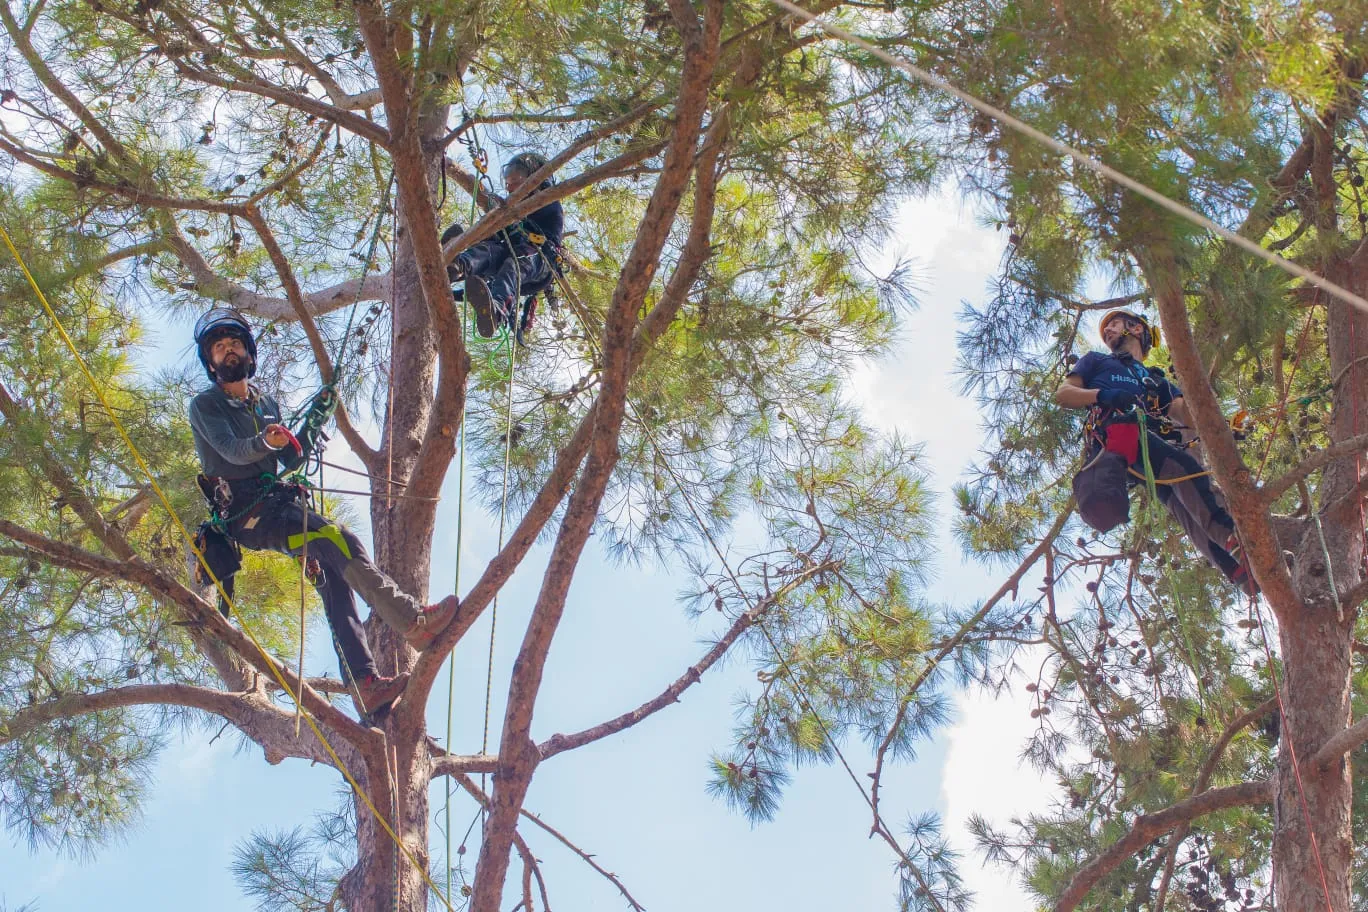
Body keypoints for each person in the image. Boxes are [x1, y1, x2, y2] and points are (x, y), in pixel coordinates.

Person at [187, 308, 460, 716]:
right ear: (210, 362)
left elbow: (288, 462)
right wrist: (266, 440)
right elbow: (233, 451)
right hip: (248, 517)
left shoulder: (265, 404)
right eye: (220, 347)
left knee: (335, 577)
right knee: (338, 539)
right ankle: (413, 623)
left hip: (279, 504)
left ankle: (364, 685)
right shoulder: (206, 405)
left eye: (235, 344)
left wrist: (314, 419)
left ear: (248, 354)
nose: (229, 351)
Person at [1055, 308, 1255, 595]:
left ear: (1136, 329)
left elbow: (1185, 414)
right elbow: (1064, 394)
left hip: (1143, 443)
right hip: (1115, 433)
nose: (1108, 331)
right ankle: (1233, 539)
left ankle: (1238, 571)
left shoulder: (1155, 381)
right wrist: (1103, 395)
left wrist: (1223, 429)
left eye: (1114, 324)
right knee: (1185, 468)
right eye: (1106, 328)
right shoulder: (1096, 361)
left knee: (1180, 500)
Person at [444, 151, 564, 339]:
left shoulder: (549, 201)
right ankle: (456, 266)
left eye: (516, 180)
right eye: (508, 183)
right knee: (488, 251)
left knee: (515, 263)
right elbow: (496, 236)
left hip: (538, 259)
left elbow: (537, 213)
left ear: (534, 179)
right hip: (511, 252)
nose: (510, 187)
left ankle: (497, 312)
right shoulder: (511, 208)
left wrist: (509, 212)